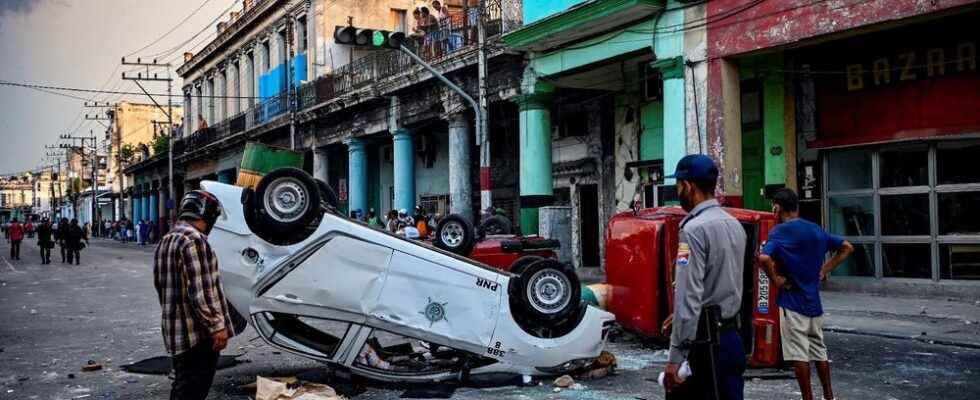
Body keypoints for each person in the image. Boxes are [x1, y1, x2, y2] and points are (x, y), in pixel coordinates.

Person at [662, 154, 747, 400]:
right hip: (732, 338)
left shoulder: (693, 230)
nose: (678, 192)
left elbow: (689, 295)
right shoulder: (734, 225)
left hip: (703, 345)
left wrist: (675, 357)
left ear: (688, 186)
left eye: (678, 186)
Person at [757, 188, 854, 400]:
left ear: (777, 207)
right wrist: (825, 270)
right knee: (820, 351)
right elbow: (846, 247)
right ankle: (829, 396)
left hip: (792, 302)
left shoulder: (779, 232)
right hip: (814, 303)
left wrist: (776, 280)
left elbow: (763, 258)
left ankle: (807, 398)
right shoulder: (816, 230)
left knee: (798, 354)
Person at [154, 190, 239, 400]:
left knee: (182, 387)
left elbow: (160, 285)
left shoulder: (167, 239)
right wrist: (217, 327)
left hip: (176, 331)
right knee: (192, 390)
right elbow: (200, 291)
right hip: (197, 336)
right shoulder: (194, 240)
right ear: (207, 215)